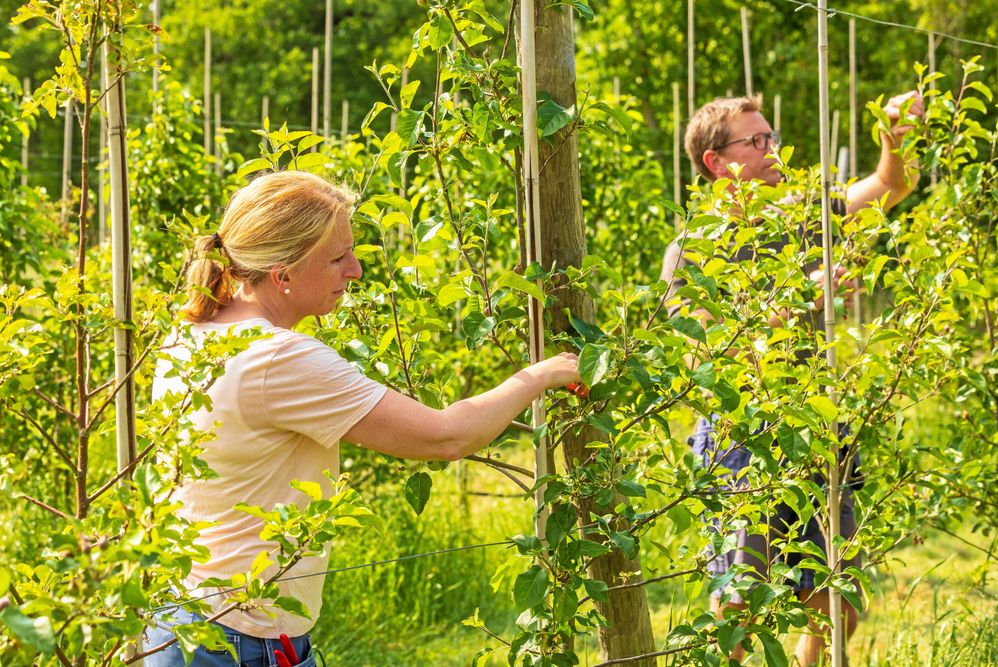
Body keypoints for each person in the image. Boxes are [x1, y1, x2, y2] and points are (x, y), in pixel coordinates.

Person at [144, 171, 580, 666]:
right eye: (336, 258)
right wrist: (541, 374)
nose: (355, 270)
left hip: (181, 620)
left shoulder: (191, 336)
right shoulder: (276, 358)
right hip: (242, 641)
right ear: (282, 274)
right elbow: (445, 436)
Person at [662, 92, 922, 665]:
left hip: (820, 427)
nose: (771, 149)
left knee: (836, 601)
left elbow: (889, 187)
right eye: (755, 141)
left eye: (771, 137)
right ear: (715, 161)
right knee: (740, 609)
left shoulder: (804, 216)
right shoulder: (693, 250)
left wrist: (894, 136)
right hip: (742, 440)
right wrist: (806, 292)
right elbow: (703, 353)